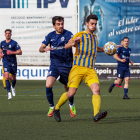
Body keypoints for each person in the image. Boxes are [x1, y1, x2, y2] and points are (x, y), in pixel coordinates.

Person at [54, 14, 107, 122]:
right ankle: (56, 108)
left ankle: (96, 114)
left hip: (90, 69)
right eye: (92, 24)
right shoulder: (80, 35)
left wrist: (110, 49)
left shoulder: (94, 37)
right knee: (71, 93)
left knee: (96, 89)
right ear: (86, 24)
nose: (94, 26)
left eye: (95, 24)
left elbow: (97, 48)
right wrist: (74, 42)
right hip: (78, 68)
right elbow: (67, 45)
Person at [39, 16, 76, 117]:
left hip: (67, 65)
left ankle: (71, 104)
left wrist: (73, 41)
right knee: (48, 84)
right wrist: (45, 49)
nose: (61, 26)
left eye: (62, 24)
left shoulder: (68, 34)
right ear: (54, 26)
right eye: (58, 24)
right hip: (54, 64)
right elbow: (40, 48)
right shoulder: (50, 35)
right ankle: (52, 106)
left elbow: (73, 41)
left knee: (68, 88)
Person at [0, 29, 22, 100]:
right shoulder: (2, 43)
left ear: (11, 34)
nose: (8, 34)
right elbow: (0, 51)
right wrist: (1, 55)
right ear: (5, 34)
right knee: (6, 76)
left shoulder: (14, 43)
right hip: (6, 62)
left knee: (13, 78)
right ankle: (9, 93)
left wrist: (12, 52)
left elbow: (20, 52)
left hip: (13, 62)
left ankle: (13, 87)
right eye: (6, 33)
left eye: (9, 33)